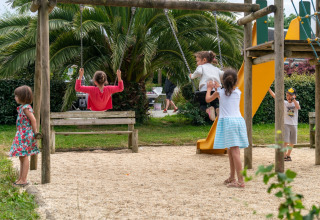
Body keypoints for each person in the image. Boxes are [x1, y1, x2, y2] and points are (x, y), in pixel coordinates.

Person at [205, 69, 249, 188]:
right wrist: (218, 88)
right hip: (238, 121)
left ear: (223, 81)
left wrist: (209, 88)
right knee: (231, 150)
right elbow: (226, 95)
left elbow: (208, 99)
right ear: (235, 81)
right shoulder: (238, 92)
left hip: (228, 122)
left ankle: (240, 181)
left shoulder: (219, 92)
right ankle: (232, 177)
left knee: (234, 152)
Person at [9, 85, 40, 187]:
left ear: (22, 96)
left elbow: (33, 120)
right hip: (22, 134)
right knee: (21, 156)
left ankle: (24, 179)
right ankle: (21, 178)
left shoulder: (26, 108)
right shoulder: (22, 108)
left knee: (24, 156)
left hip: (25, 135)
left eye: (16, 96)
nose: (15, 97)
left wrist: (35, 132)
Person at [189, 51, 224, 121]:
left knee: (202, 104)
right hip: (216, 89)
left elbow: (199, 72)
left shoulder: (201, 66)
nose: (197, 63)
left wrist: (192, 76)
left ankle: (208, 110)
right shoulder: (216, 68)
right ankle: (217, 109)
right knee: (215, 103)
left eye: (198, 61)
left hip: (205, 88)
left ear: (204, 60)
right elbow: (223, 74)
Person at [268, 87, 301, 161]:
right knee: (285, 141)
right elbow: (275, 96)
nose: (288, 97)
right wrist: (269, 89)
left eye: (290, 95)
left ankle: (288, 155)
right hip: (286, 124)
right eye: (287, 95)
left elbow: (298, 107)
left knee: (292, 142)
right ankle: (284, 156)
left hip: (294, 124)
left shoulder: (296, 102)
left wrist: (293, 100)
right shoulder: (285, 103)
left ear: (294, 96)